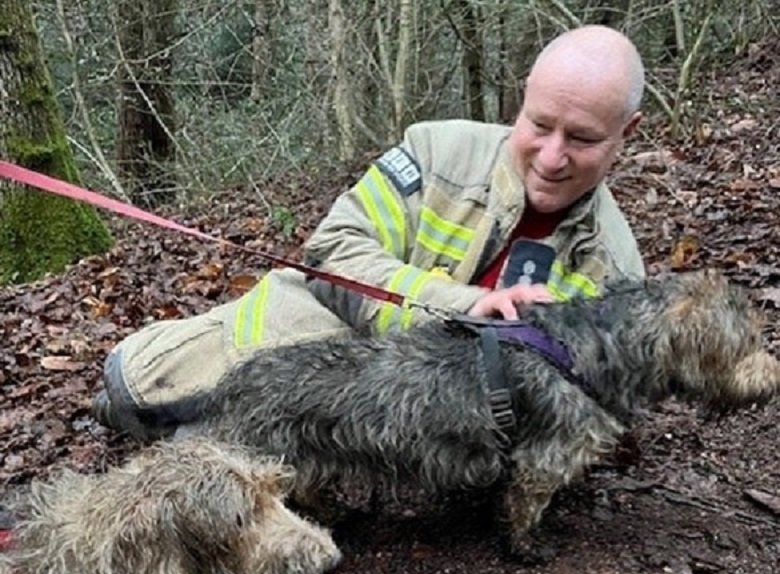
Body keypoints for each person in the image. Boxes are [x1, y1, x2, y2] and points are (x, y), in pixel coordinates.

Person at [93, 24, 646, 437]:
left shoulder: (615, 273)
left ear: (627, 133)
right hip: (259, 352)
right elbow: (333, 252)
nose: (552, 157)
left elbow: (587, 414)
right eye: (540, 125)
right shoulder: (437, 152)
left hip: (395, 439)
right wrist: (466, 305)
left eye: (582, 139)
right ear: (522, 99)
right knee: (131, 392)